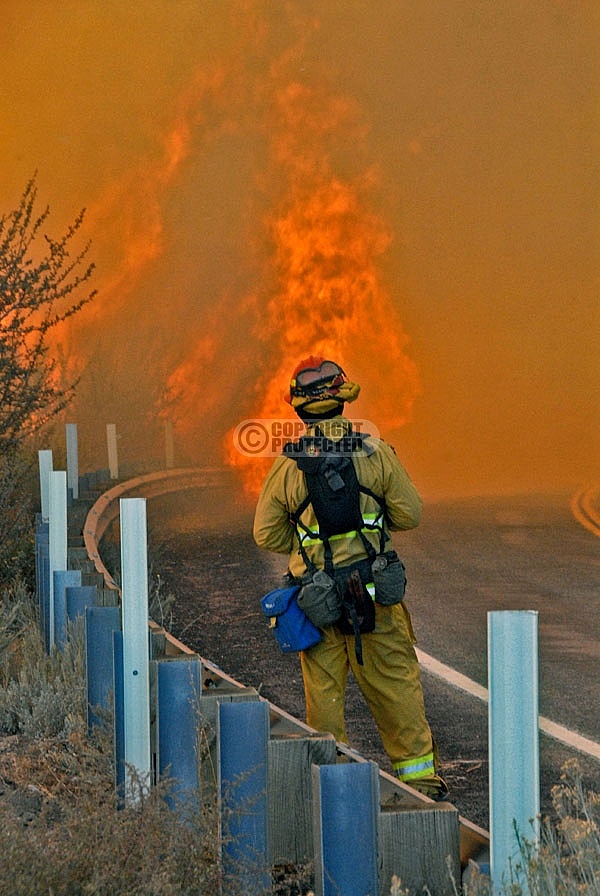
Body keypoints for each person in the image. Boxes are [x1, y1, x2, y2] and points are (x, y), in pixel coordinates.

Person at [253, 356, 448, 800]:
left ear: (298, 408)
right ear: (344, 399)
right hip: (376, 598)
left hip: (317, 603)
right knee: (397, 691)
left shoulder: (288, 465)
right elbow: (409, 514)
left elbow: (265, 532)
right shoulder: (374, 452)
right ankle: (421, 789)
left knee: (324, 706)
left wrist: (309, 545)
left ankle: (330, 795)